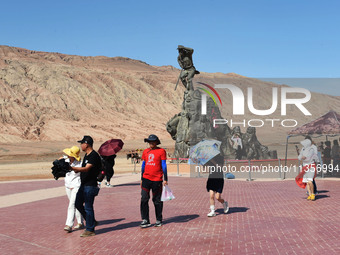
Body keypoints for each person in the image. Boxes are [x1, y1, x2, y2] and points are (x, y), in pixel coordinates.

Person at [71, 136, 101, 237]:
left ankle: (90, 230)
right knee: (78, 204)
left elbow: (87, 169)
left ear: (86, 144)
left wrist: (73, 168)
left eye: (82, 143)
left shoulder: (93, 155)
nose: (81, 145)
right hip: (83, 185)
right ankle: (91, 221)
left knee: (88, 207)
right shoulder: (87, 155)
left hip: (90, 186)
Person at [140, 134, 168, 228]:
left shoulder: (162, 151)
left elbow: (164, 165)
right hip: (146, 179)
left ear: (156, 142)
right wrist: (141, 178)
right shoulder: (145, 151)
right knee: (144, 199)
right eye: (149, 141)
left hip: (157, 179)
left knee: (157, 200)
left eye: (153, 141)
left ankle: (159, 219)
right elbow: (143, 165)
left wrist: (165, 178)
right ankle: (145, 219)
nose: (151, 143)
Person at [62, 146, 83, 232]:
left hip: (76, 186)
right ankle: (80, 222)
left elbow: (78, 171)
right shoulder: (66, 161)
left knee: (72, 204)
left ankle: (69, 225)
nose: (68, 155)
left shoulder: (80, 163)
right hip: (68, 185)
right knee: (76, 204)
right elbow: (60, 159)